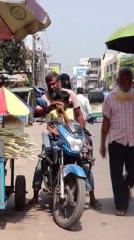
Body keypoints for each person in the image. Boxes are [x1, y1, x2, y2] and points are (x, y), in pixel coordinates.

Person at [32, 72, 85, 204]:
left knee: (84, 160)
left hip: (69, 135)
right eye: (50, 84)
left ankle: (91, 193)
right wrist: (49, 107)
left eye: (54, 83)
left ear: (59, 82)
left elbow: (79, 116)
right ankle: (35, 194)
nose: (52, 86)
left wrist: (81, 133)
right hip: (52, 136)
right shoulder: (45, 97)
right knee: (43, 160)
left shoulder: (70, 95)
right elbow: (36, 113)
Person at [100, 68, 134, 216]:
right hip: (116, 142)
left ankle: (127, 185)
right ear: (118, 80)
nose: (126, 81)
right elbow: (106, 121)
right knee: (116, 174)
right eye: (123, 79)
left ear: (132, 80)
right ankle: (121, 205)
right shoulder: (110, 98)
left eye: (129, 78)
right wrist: (102, 143)